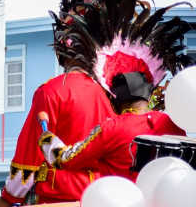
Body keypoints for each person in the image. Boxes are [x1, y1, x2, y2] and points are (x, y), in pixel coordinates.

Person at [0, 0, 188, 207]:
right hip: (110, 202)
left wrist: (8, 198)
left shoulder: (52, 91)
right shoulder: (112, 96)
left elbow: (30, 157)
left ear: (62, 51)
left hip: (58, 205)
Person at [44, 72, 186, 180]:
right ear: (148, 97)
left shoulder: (112, 127)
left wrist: (49, 142)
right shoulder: (172, 124)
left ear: (116, 100)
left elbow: (69, 159)